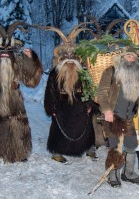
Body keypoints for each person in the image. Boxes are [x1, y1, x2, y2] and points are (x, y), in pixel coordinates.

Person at [97, 47, 139, 188]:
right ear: (121, 57)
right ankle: (113, 175)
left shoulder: (138, 74)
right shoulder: (111, 71)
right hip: (112, 116)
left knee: (132, 144)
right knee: (114, 147)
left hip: (128, 117)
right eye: (127, 56)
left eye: (133, 57)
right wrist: (107, 110)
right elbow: (101, 93)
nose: (130, 59)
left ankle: (128, 172)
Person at [44, 39, 100, 164]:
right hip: (62, 106)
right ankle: (56, 152)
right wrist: (52, 108)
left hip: (80, 104)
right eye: (66, 56)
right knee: (59, 128)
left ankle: (89, 149)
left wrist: (89, 104)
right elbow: (50, 90)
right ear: (61, 57)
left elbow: (88, 89)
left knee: (86, 126)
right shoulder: (55, 73)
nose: (69, 58)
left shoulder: (82, 72)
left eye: (72, 56)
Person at [0, 22, 43, 163]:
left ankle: (19, 152)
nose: (5, 51)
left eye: (9, 47)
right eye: (2, 47)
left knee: (17, 125)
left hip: (15, 101)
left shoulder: (17, 60)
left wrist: (30, 60)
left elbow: (30, 81)